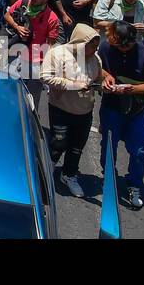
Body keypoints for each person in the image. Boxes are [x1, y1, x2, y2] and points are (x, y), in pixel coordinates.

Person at [97, 21, 144, 210]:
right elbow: (97, 66)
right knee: (108, 146)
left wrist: (132, 89)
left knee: (139, 151)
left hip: (136, 111)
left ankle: (134, 185)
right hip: (111, 107)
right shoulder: (105, 47)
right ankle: (109, 178)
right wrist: (106, 75)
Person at [41, 23, 105, 198]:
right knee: (58, 144)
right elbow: (45, 76)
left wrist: (105, 85)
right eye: (91, 46)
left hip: (85, 111)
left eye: (96, 47)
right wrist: (73, 85)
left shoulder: (95, 59)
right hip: (61, 108)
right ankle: (46, 170)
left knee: (77, 147)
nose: (94, 50)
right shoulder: (57, 54)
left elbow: (99, 78)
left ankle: (69, 175)